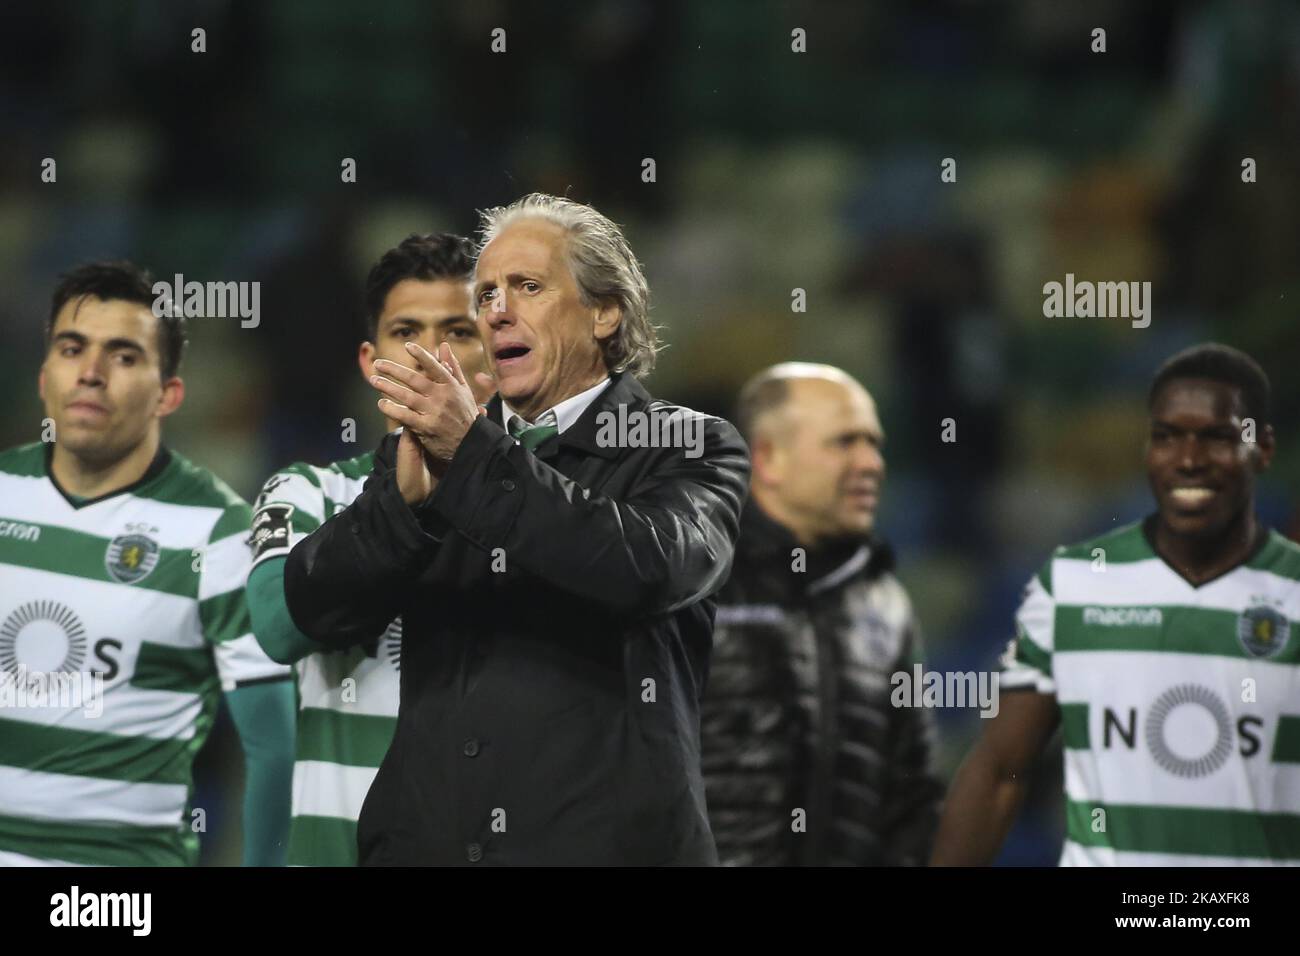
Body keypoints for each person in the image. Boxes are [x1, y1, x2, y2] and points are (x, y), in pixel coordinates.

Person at [284, 193, 750, 865]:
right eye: (487, 293)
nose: (496, 309)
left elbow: (648, 567)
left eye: (528, 286)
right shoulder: (432, 450)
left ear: (604, 311)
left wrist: (472, 457)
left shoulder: (686, 444)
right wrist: (400, 512)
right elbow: (312, 608)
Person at [933, 343, 1300, 866]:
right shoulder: (1074, 585)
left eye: (1217, 437)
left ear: (1262, 450)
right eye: (1167, 437)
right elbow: (998, 772)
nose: (1189, 459)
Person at [0, 261, 294, 866]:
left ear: (169, 395)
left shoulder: (219, 532)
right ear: (43, 375)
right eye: (71, 348)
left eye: (124, 356)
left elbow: (273, 747)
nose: (91, 373)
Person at [247, 233, 493, 866]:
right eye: (404, 331)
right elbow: (277, 625)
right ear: (368, 359)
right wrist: (398, 507)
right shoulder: (305, 491)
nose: (429, 356)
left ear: (497, 351)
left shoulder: (539, 505)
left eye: (458, 332)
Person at [700, 363, 943, 865]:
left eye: (873, 443)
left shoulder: (885, 604)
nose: (872, 463)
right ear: (768, 458)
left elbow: (912, 796)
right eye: (845, 442)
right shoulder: (687, 581)